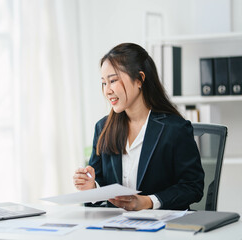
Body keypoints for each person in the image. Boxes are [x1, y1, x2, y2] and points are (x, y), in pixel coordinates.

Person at [73, 43, 204, 211]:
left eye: (113, 81)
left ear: (139, 79)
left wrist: (149, 202)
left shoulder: (174, 128)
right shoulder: (103, 128)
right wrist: (91, 188)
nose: (107, 91)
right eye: (104, 83)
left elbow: (193, 187)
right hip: (116, 229)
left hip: (163, 228)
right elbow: (101, 188)